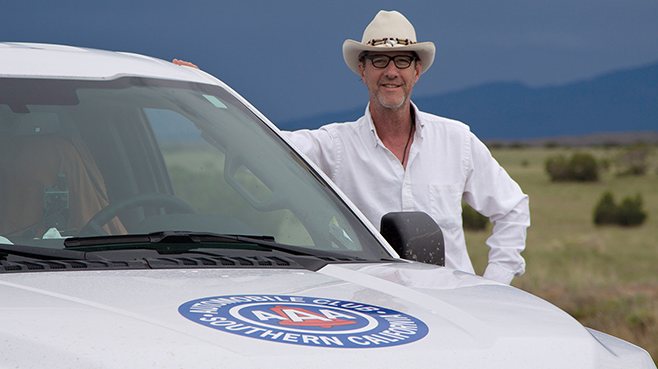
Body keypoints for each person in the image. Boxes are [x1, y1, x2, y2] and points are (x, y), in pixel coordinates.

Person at [174, 10, 530, 285]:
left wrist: (494, 285)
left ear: (417, 70)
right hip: (375, 315)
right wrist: (202, 103)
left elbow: (512, 208)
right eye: (379, 60)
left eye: (402, 60)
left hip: (453, 312)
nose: (391, 70)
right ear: (362, 70)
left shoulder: (456, 140)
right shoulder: (337, 146)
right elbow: (267, 145)